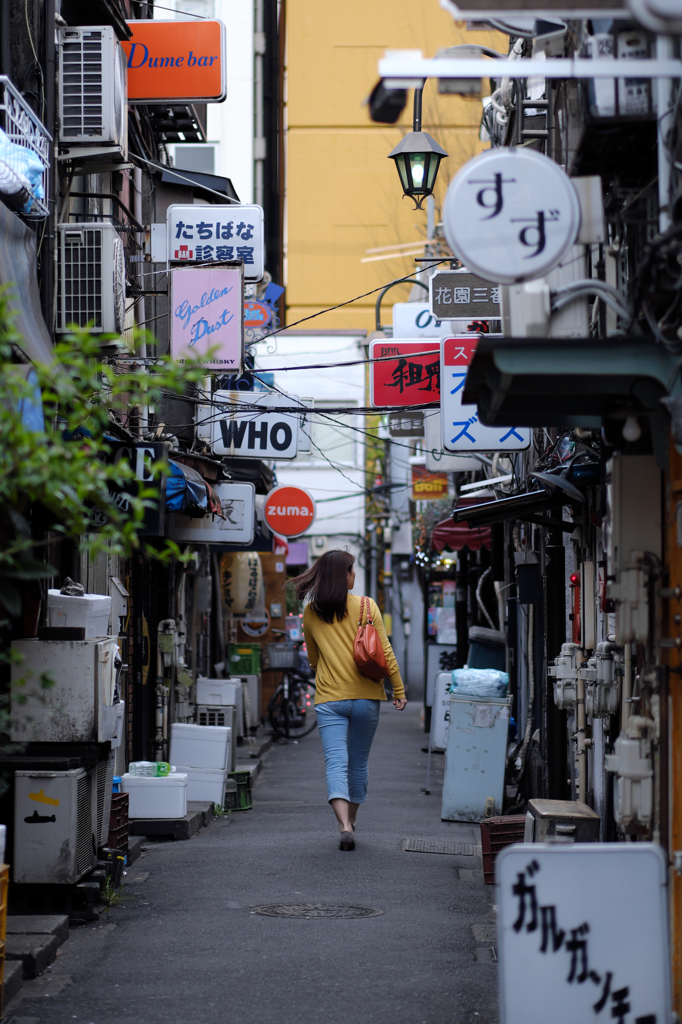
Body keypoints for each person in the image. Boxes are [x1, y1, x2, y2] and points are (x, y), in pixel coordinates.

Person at [291, 549, 407, 851]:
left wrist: (330, 670)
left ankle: (342, 824)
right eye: (352, 569)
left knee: (335, 762)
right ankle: (351, 823)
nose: (354, 574)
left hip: (329, 699)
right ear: (344, 575)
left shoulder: (310, 612)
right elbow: (385, 652)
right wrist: (398, 689)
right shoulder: (367, 606)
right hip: (367, 697)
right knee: (357, 762)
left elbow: (313, 660)